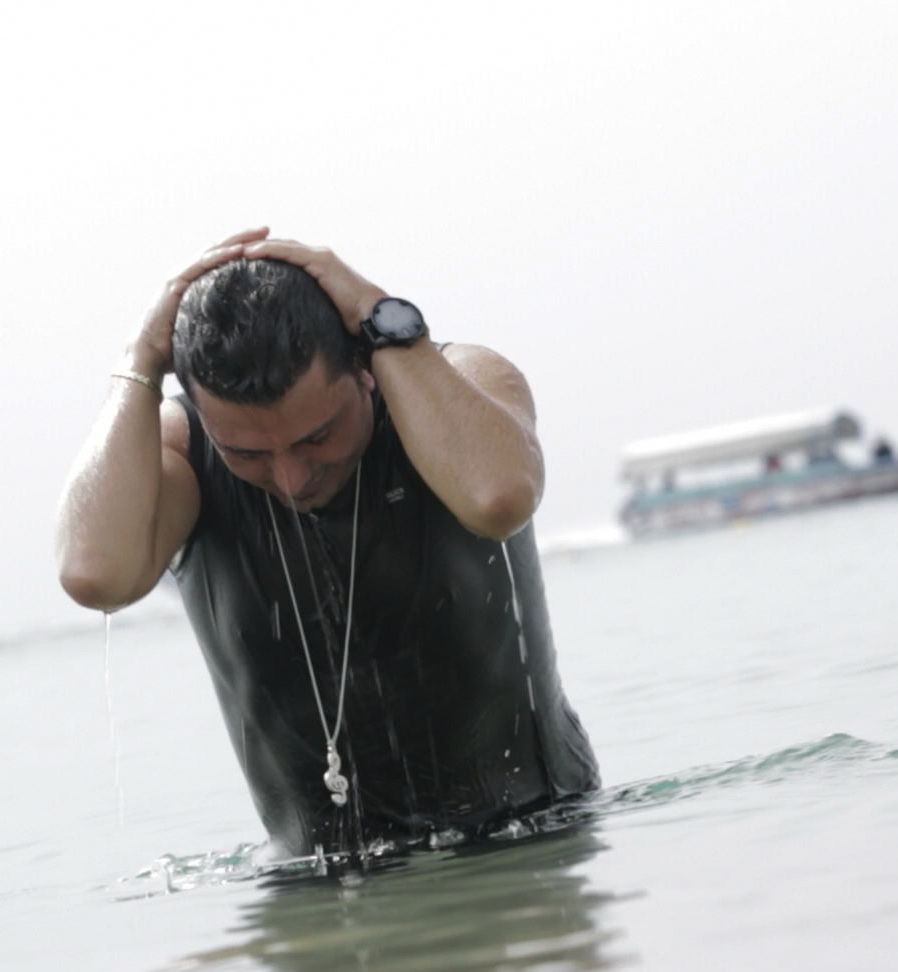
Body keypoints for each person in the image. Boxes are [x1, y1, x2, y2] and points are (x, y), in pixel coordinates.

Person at [55, 228, 599, 857]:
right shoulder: (183, 454)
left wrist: (380, 316)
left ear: (364, 369)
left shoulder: (457, 381)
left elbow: (498, 499)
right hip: (317, 879)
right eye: (247, 452)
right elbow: (95, 575)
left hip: (535, 836)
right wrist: (138, 364)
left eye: (317, 437)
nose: (291, 477)